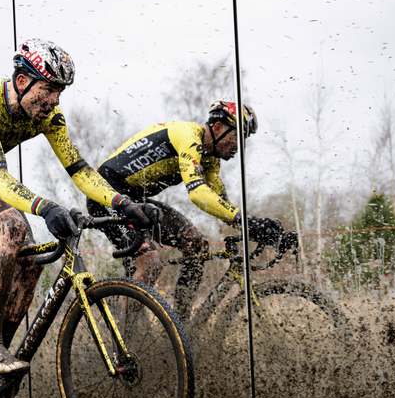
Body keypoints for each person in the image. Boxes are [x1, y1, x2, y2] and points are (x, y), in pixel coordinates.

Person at [0, 38, 155, 375]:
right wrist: (46, 208)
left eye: (61, 91)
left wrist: (123, 202)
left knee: (30, 259)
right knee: (12, 226)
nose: (55, 100)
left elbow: (80, 170)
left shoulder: (48, 115)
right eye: (50, 89)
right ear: (24, 81)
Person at [86, 100, 283, 322]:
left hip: (134, 200)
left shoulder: (210, 159)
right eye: (237, 136)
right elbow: (198, 193)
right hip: (104, 195)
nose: (240, 145)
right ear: (218, 128)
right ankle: (124, 341)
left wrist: (252, 223)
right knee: (150, 263)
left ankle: (181, 325)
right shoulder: (189, 137)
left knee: (196, 243)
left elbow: (219, 203)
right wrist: (243, 221)